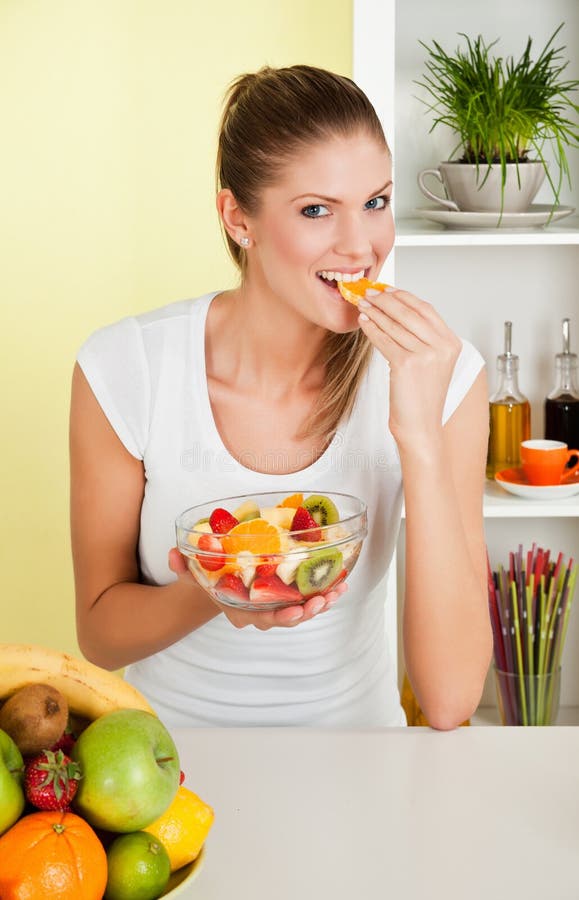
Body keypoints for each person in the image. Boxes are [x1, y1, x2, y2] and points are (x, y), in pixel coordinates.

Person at [70, 64, 493, 729]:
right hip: (163, 776)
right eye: (316, 210)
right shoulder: (127, 367)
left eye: (375, 202)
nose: (361, 246)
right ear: (238, 217)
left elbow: (449, 700)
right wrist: (223, 586)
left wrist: (418, 438)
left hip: (362, 764)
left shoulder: (443, 374)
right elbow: (99, 635)